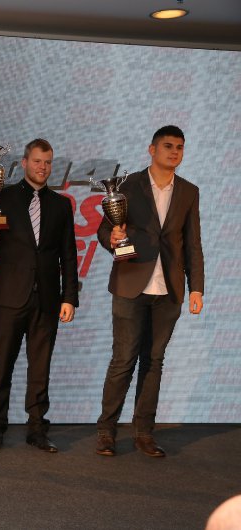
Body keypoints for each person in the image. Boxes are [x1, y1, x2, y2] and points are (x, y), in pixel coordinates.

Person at [95, 125, 203, 457]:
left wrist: (196, 288)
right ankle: (106, 432)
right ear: (152, 150)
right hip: (131, 283)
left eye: (180, 147)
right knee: (123, 360)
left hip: (169, 290)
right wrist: (112, 239)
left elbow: (193, 244)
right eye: (168, 146)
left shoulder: (189, 191)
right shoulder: (127, 186)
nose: (174, 152)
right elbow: (104, 230)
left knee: (154, 362)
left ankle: (144, 433)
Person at [0, 138, 78, 452]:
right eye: (37, 161)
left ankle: (37, 429)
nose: (42, 167)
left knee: (40, 368)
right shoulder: (2, 196)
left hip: (47, 299)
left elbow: (68, 255)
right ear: (24, 163)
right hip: (9, 296)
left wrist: (69, 297)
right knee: (2, 364)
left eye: (47, 162)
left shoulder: (61, 205)